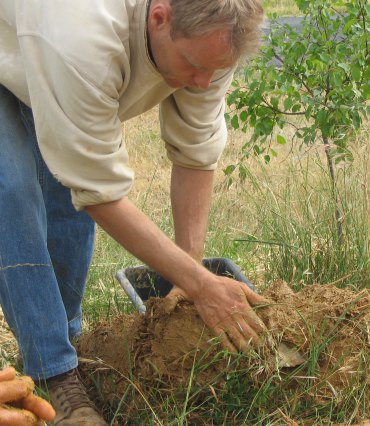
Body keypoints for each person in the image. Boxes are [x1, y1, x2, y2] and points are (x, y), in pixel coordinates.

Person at [0, 0, 266, 423]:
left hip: (52, 59)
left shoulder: (213, 41)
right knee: (11, 193)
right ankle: (53, 370)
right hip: (20, 38)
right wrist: (199, 285)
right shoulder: (80, 33)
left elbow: (196, 152)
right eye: (195, 66)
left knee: (66, 207)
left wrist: (187, 272)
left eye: (215, 71)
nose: (203, 83)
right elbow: (99, 191)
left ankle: (65, 339)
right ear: (159, 17)